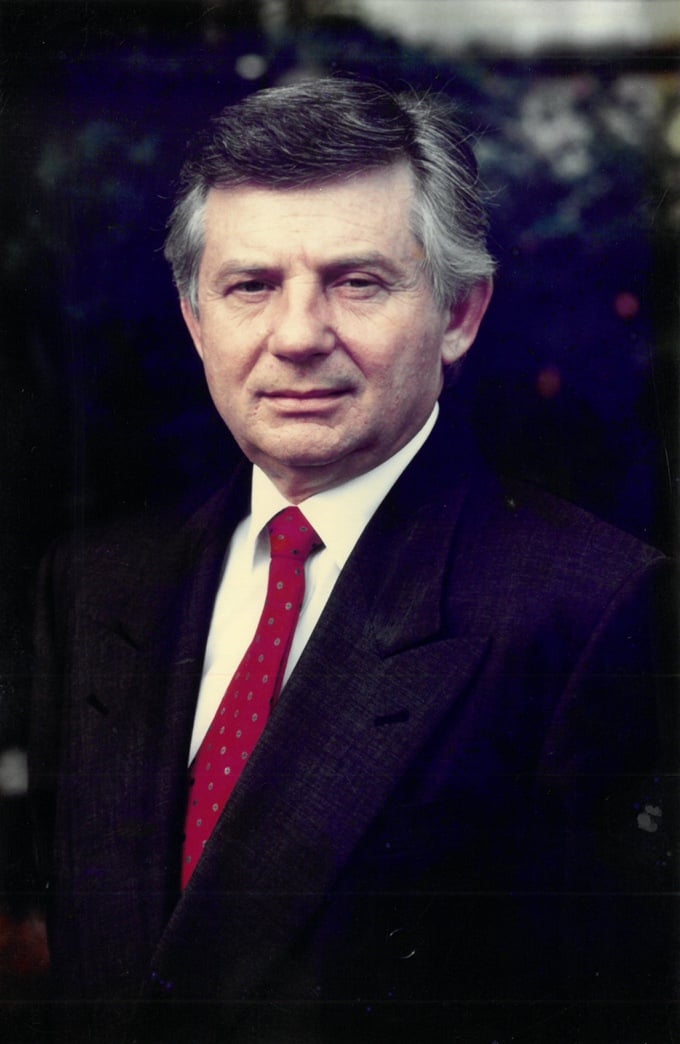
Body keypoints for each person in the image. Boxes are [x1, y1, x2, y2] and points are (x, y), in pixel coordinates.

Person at [29, 78, 676, 1044]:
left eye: (358, 282)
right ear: (196, 320)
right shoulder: (94, 586)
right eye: (251, 286)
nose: (298, 336)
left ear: (460, 314)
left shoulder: (594, 610)